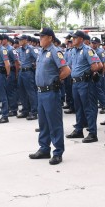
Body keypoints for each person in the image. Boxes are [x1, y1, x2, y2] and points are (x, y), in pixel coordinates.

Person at [29, 28, 71, 165]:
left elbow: (66, 70)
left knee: (54, 123)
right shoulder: (41, 52)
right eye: (39, 37)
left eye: (42, 37)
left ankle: (58, 152)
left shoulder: (55, 51)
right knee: (43, 123)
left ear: (50, 38)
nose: (40, 39)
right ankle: (44, 148)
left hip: (51, 92)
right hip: (41, 92)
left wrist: (57, 80)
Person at [65, 30, 103, 143]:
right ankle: (78, 130)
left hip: (85, 83)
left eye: (75, 38)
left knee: (88, 108)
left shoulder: (88, 50)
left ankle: (92, 133)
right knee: (78, 107)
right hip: (75, 83)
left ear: (81, 39)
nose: (73, 40)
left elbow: (98, 65)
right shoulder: (73, 51)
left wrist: (88, 72)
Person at [17, 35, 39, 120]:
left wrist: (34, 66)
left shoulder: (31, 48)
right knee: (22, 92)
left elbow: (38, 59)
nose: (19, 41)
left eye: (21, 40)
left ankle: (34, 111)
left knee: (31, 92)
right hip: (21, 72)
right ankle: (25, 110)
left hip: (28, 72)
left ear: (26, 40)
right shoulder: (20, 50)